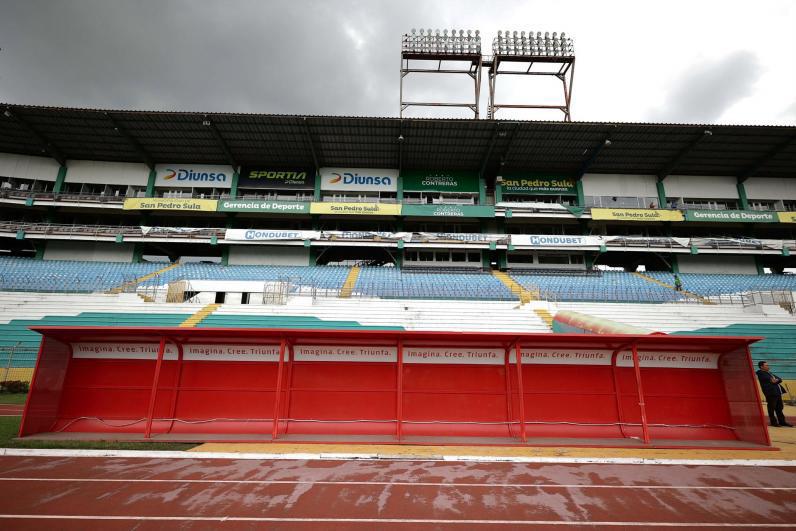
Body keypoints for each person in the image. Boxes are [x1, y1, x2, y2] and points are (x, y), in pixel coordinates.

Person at [756, 361, 792, 427]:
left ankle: (782, 422)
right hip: (771, 393)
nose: (768, 366)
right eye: (766, 365)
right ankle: (773, 422)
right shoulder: (760, 373)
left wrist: (775, 380)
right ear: (761, 367)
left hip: (777, 392)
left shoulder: (769, 373)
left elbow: (780, 379)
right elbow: (771, 380)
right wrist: (775, 380)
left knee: (779, 408)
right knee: (771, 408)